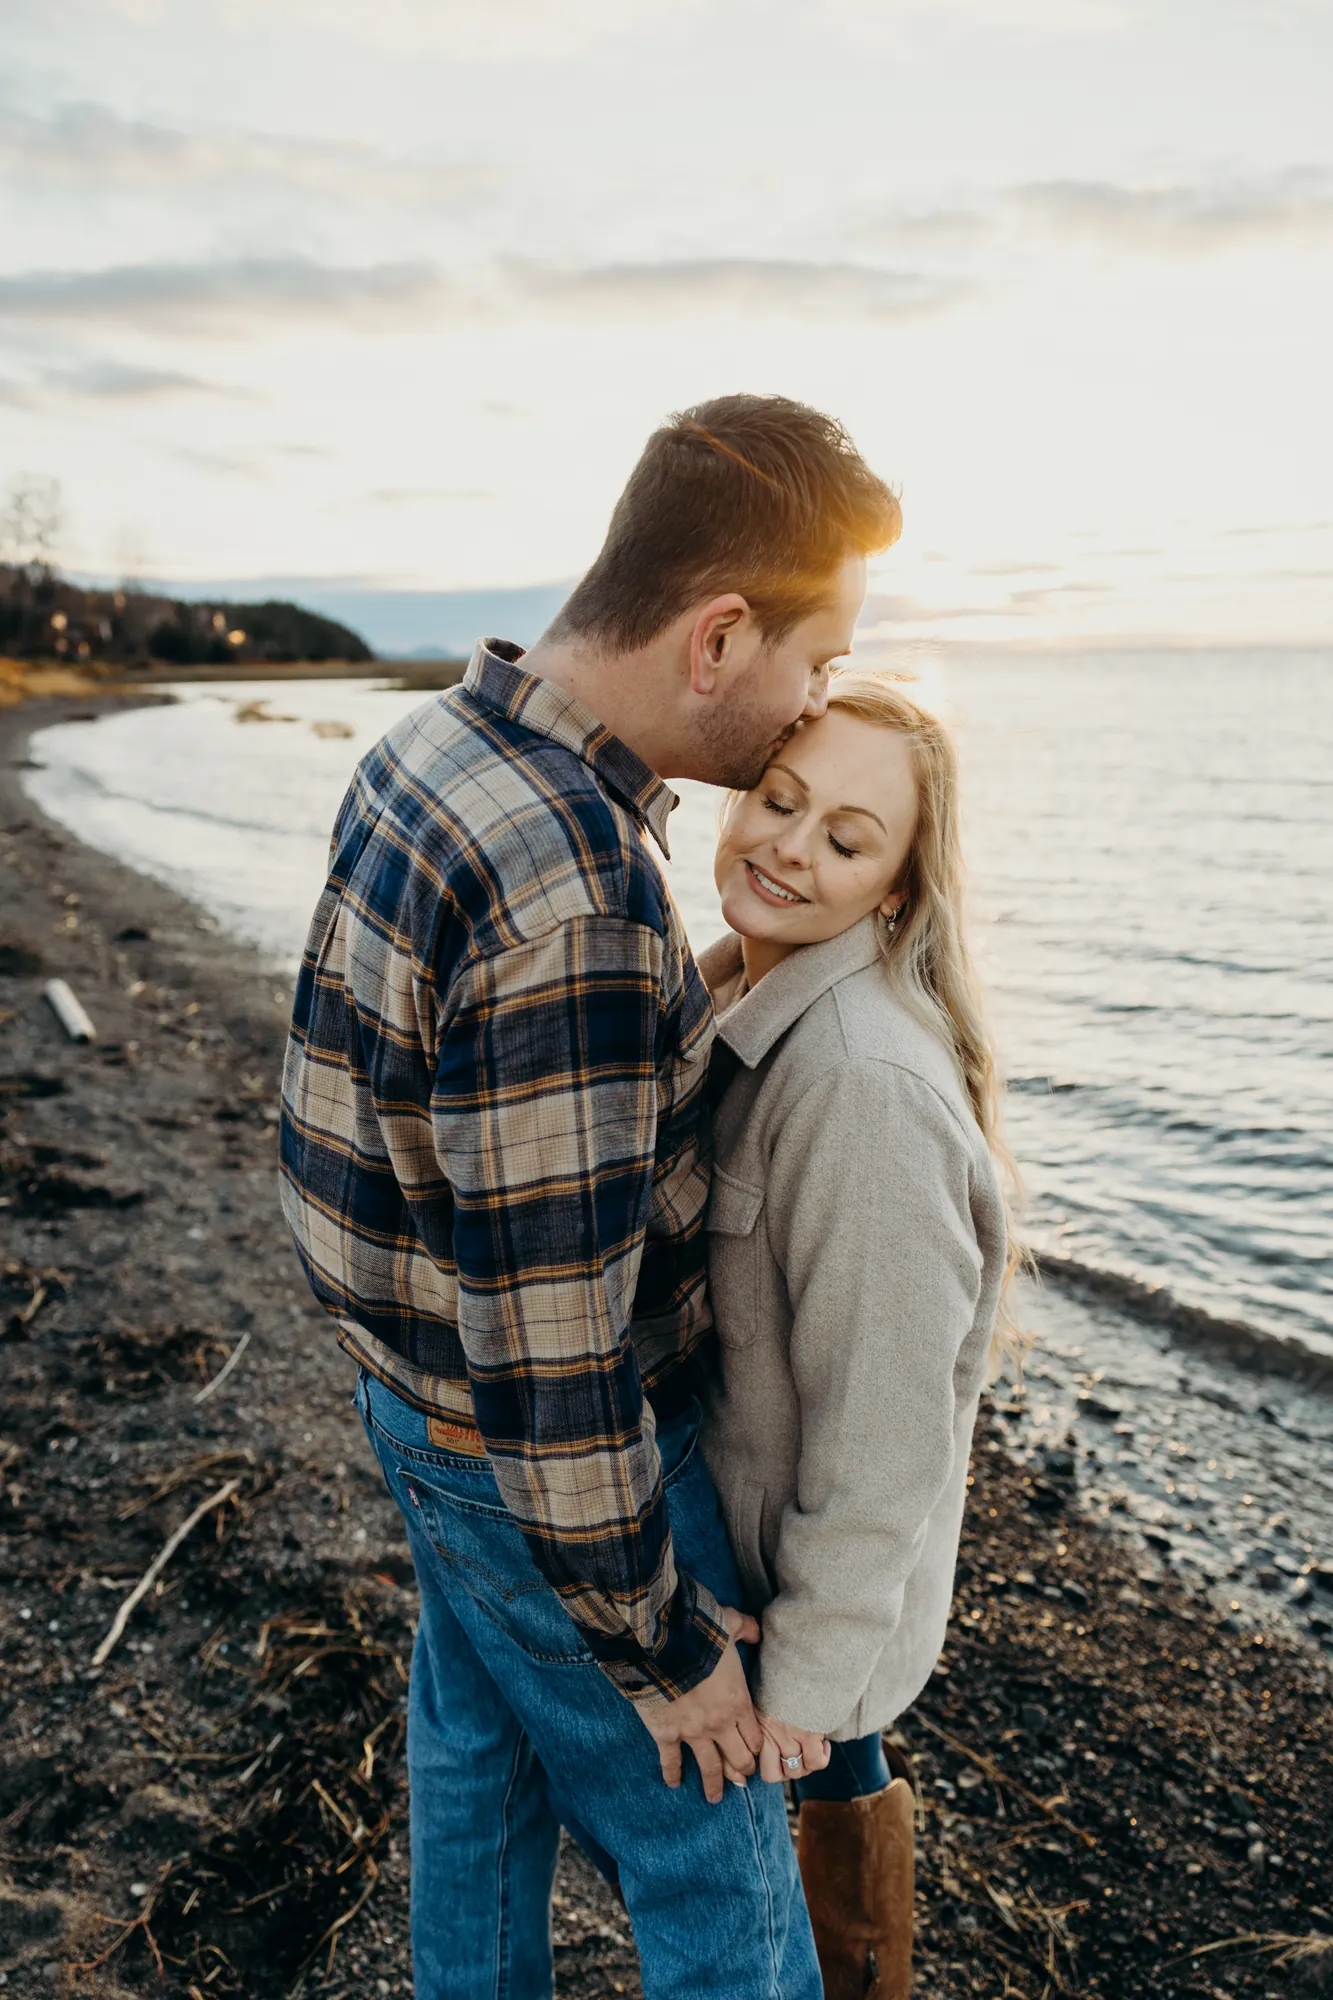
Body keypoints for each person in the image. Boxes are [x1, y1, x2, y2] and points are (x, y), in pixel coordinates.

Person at [278, 394, 903, 1999]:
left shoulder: (434, 746)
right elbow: (557, 1356)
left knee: (480, 1787)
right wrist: (669, 1649)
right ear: (716, 636)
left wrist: (673, 1004)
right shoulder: (578, 890)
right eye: (811, 665)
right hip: (531, 1460)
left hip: (409, 1400)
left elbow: (393, 1085)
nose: (807, 709)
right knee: (715, 1856)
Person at [696, 669, 1017, 2000]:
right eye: (780, 799)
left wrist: (809, 1682)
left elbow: (888, 1434)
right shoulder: (738, 994)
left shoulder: (862, 1089)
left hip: (804, 1603)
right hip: (769, 1564)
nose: (789, 845)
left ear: (894, 888)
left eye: (847, 837)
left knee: (812, 1830)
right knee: (826, 1813)